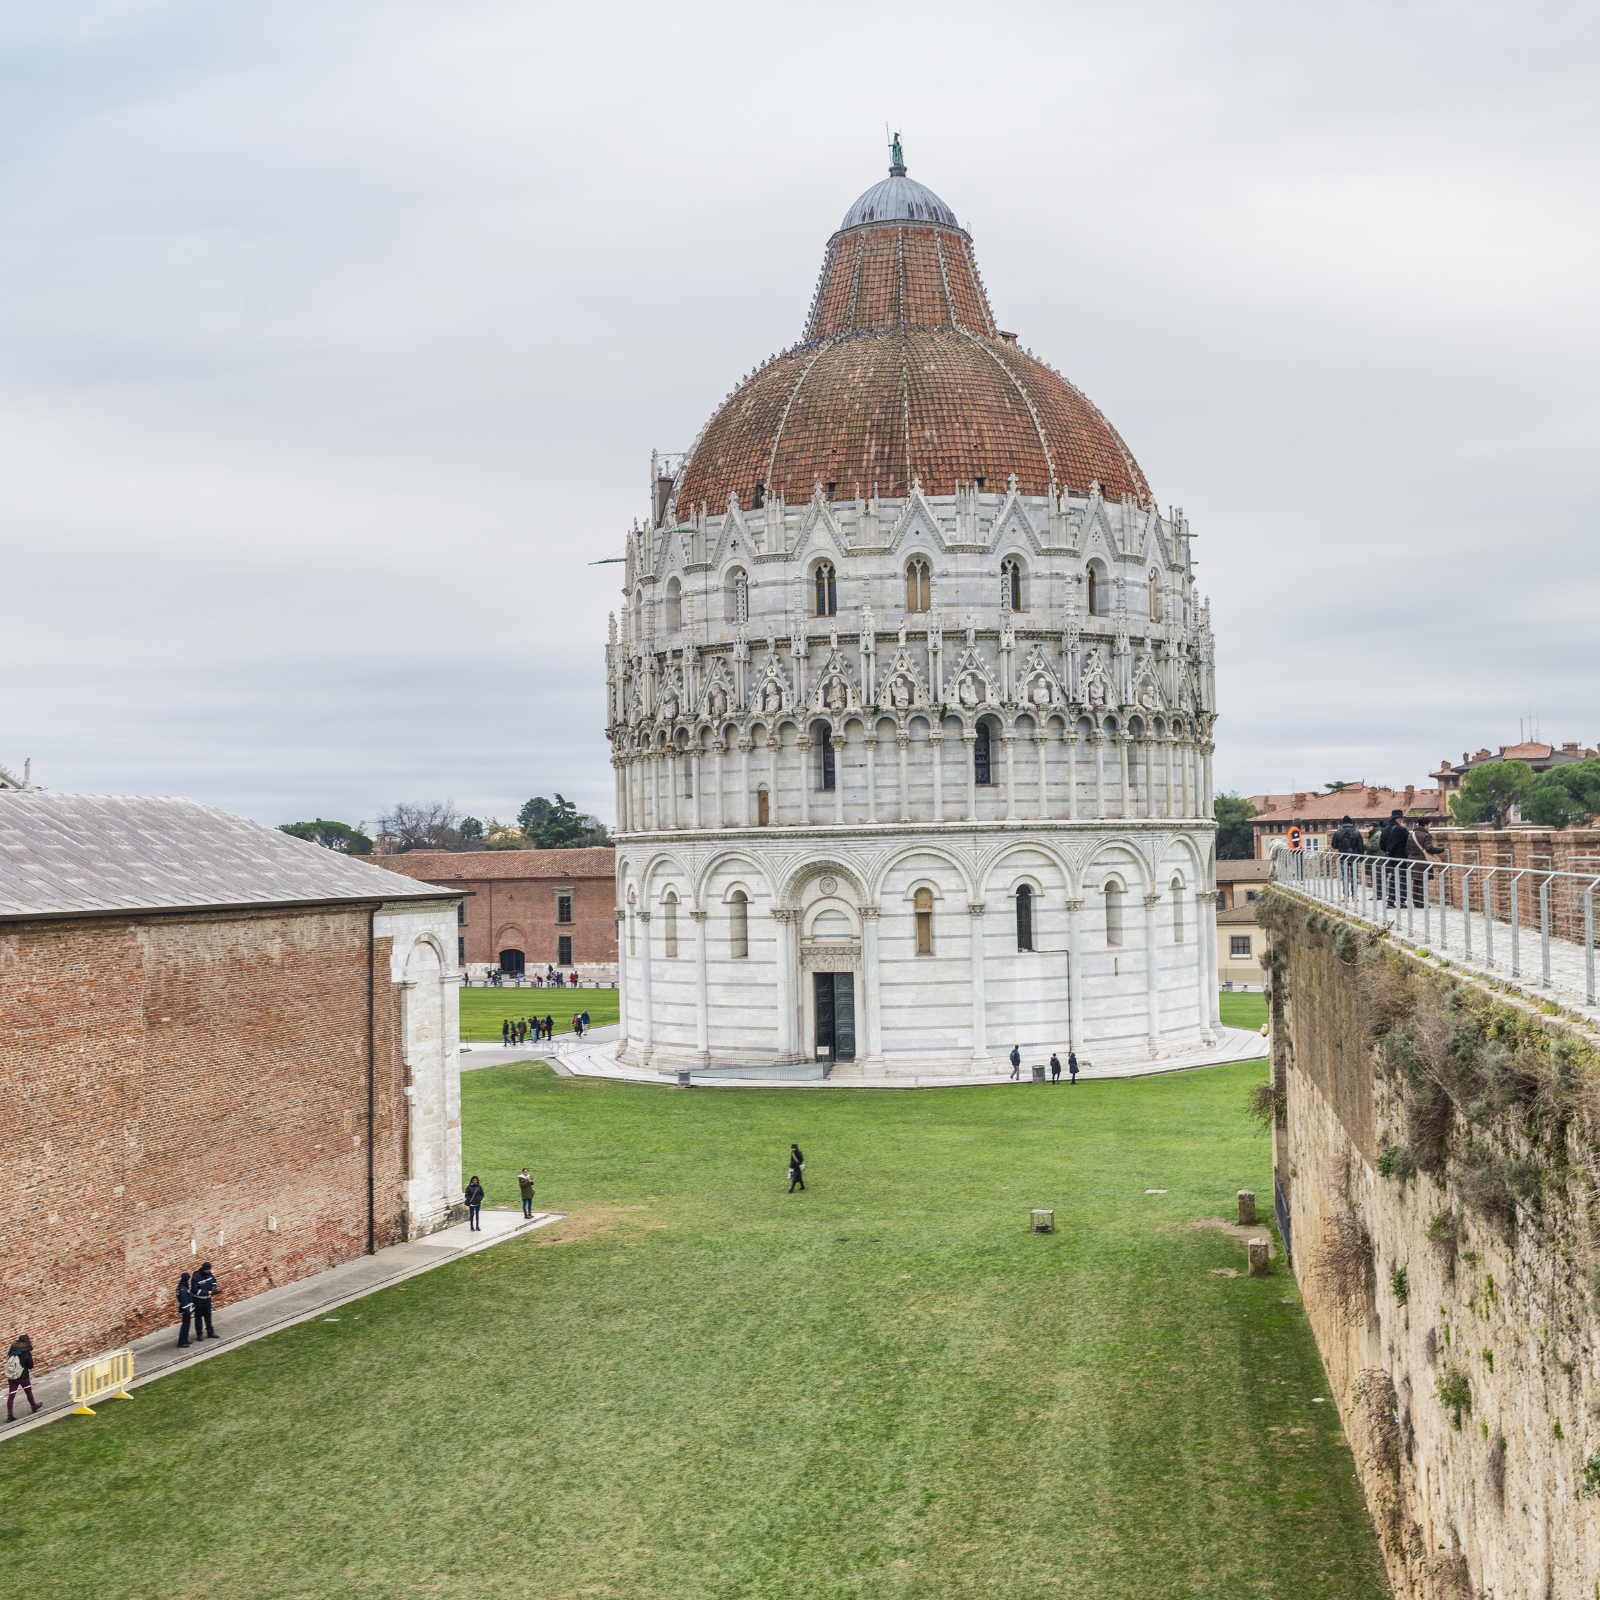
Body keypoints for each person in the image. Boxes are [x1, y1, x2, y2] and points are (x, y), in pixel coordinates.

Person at [1379, 809, 1412, 906]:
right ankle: (1401, 900)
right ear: (1398, 819)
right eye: (1401, 818)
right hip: (1401, 857)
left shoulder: (1384, 830)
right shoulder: (1401, 830)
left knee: (1393, 878)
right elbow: (1409, 841)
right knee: (1402, 878)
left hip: (1389, 857)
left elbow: (1381, 846)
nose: (1402, 820)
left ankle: (1391, 900)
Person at [1330, 815, 1364, 899]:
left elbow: (1334, 845)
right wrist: (1361, 858)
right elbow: (1361, 846)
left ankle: (1345, 895)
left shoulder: (1338, 832)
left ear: (1342, 822)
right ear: (1351, 822)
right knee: (1354, 876)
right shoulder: (1356, 832)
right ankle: (1354, 896)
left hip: (1343, 857)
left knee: (1345, 876)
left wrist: (1341, 846)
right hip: (1354, 857)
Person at [6, 1334, 39, 1418]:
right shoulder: (26, 1352)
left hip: (12, 1376)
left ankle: (10, 1414)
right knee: (28, 1392)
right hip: (23, 1376)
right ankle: (33, 1406)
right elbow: (30, 1365)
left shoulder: (12, 1350)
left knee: (11, 1395)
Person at [192, 1261, 218, 1340]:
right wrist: (207, 1292)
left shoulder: (209, 1274)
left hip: (207, 1299)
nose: (209, 1271)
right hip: (199, 1300)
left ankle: (210, 1332)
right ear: (204, 1269)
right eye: (208, 1270)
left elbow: (213, 1281)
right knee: (198, 1318)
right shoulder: (196, 1277)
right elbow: (195, 1290)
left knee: (208, 1316)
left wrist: (213, 1289)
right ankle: (199, 1334)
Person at [176, 1272, 195, 1347]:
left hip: (185, 1309)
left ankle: (185, 1339)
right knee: (185, 1325)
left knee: (187, 1324)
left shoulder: (181, 1286)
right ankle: (182, 1341)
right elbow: (184, 1300)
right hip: (186, 1309)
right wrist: (187, 1310)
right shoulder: (183, 1288)